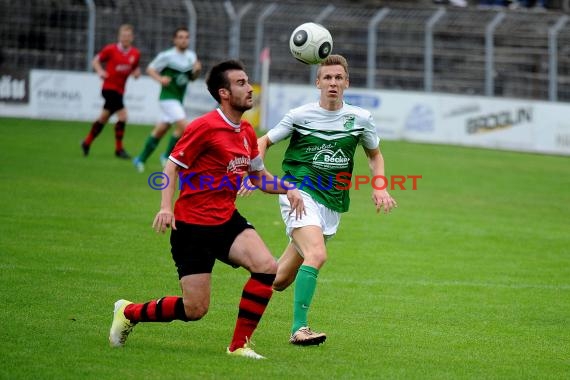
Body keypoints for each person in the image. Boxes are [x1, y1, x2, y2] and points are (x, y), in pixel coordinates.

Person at [108, 60, 305, 360]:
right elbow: (171, 166)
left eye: (247, 80)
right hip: (191, 228)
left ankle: (239, 346)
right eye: (241, 83)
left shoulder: (247, 132)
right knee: (195, 309)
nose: (249, 87)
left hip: (226, 220)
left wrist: (288, 187)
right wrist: (165, 208)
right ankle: (128, 311)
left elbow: (258, 178)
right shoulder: (204, 126)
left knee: (267, 267)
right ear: (224, 93)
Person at [256, 54, 397, 346]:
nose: (333, 83)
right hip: (298, 192)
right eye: (327, 78)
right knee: (317, 255)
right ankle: (299, 328)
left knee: (280, 280)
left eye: (338, 78)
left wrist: (380, 186)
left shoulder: (360, 119)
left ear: (347, 83)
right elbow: (264, 141)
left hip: (332, 202)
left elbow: (375, 156)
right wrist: (256, 173)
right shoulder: (299, 115)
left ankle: (250, 295)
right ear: (317, 82)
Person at [132, 27, 202, 173]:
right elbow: (150, 68)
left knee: (161, 131)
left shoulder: (191, 56)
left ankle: (141, 159)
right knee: (187, 128)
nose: (184, 40)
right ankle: (191, 163)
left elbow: (192, 78)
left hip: (178, 99)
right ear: (175, 40)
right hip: (167, 98)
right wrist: (160, 79)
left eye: (186, 37)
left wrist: (197, 71)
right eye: (180, 37)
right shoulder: (167, 56)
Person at [81, 24, 141, 158]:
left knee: (103, 118)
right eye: (123, 36)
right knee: (123, 116)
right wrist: (100, 71)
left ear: (132, 38)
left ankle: (87, 142)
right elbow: (96, 61)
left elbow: (135, 68)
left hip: (120, 91)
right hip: (108, 88)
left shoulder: (135, 54)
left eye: (128, 36)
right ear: (119, 37)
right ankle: (119, 149)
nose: (126, 38)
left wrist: (136, 73)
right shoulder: (111, 49)